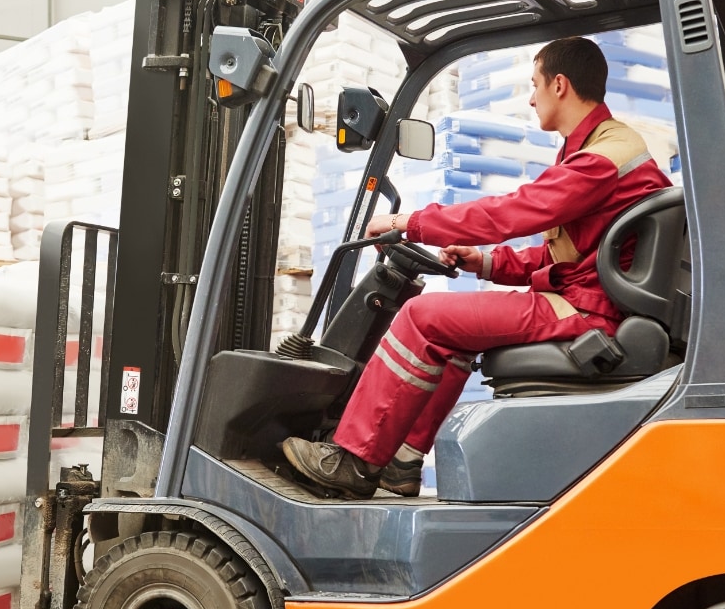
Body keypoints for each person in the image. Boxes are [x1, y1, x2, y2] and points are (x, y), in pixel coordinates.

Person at [282, 36, 672, 499]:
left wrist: (414, 222)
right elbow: (569, 256)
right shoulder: (596, 147)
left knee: (420, 318)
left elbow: (515, 212)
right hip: (587, 298)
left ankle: (353, 461)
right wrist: (485, 262)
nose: (531, 97)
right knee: (450, 335)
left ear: (560, 85)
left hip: (589, 312)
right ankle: (402, 463)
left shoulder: (601, 158)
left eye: (535, 85)